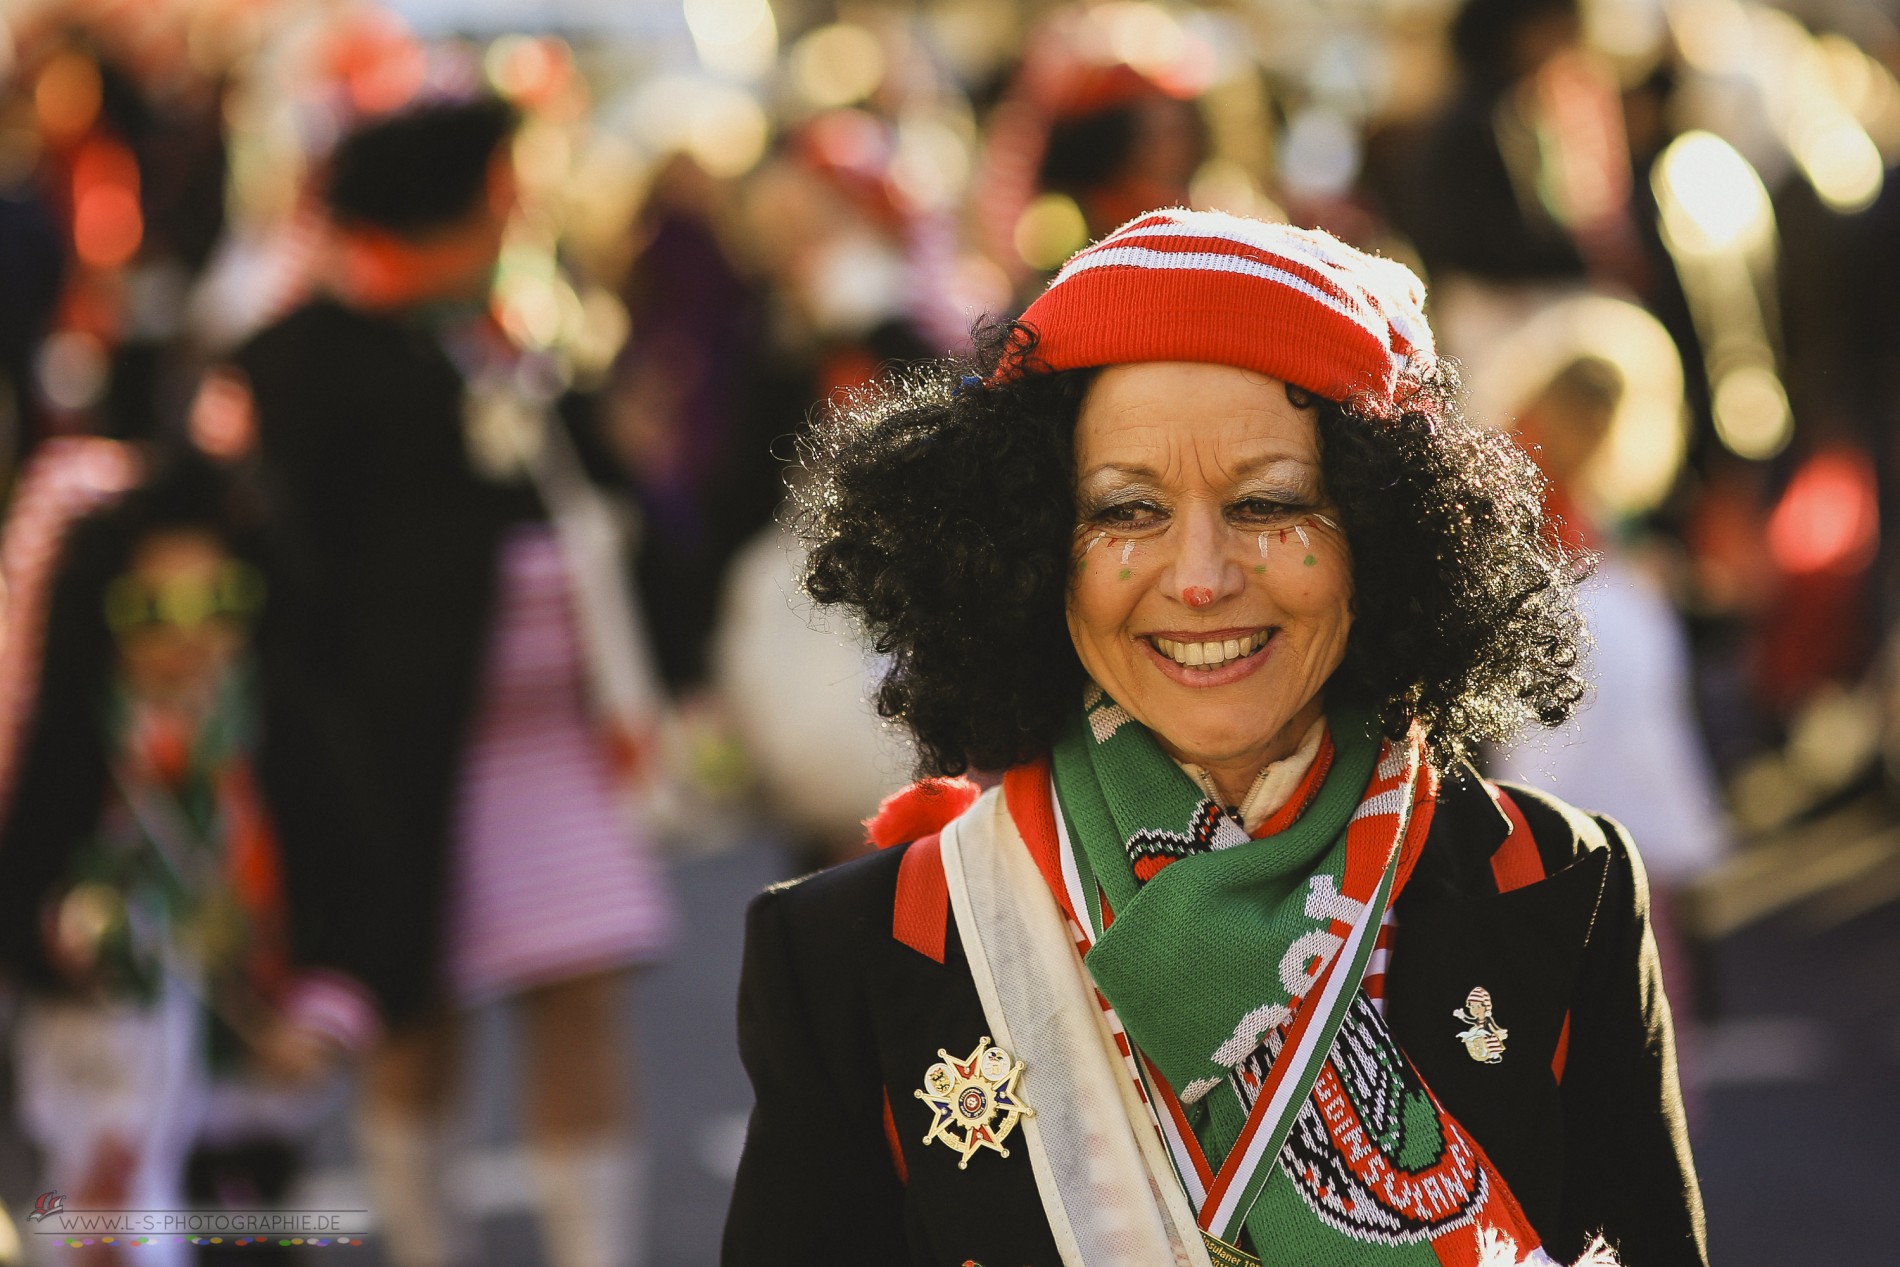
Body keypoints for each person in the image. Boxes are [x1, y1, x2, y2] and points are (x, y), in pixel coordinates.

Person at [724, 210, 1708, 1267]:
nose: (1197, 577)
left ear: (1387, 535)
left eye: (1267, 503)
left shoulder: (1558, 885)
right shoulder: (859, 949)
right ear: (1027, 546)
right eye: (1125, 511)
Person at [233, 96, 674, 1267]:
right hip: (400, 753)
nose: (514, 210)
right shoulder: (298, 360)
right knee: (414, 1016)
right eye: (496, 189)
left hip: (551, 740)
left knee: (579, 997)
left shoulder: (514, 338)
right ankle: (428, 1249)